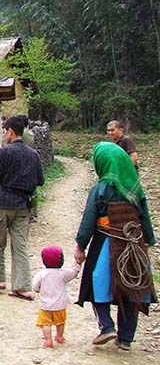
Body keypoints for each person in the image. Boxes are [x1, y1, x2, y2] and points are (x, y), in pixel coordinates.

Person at [74, 142, 156, 350]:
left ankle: (107, 326)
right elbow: (144, 217)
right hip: (133, 242)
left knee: (96, 282)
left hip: (106, 240)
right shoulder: (135, 187)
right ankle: (126, 338)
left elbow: (89, 219)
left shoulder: (100, 188)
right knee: (132, 286)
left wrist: (81, 246)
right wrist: (148, 241)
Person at [0, 115, 45, 300]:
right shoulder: (33, 154)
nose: (4, 135)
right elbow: (40, 180)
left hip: (4, 202)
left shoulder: (4, 151)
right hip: (24, 204)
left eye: (5, 131)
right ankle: (22, 287)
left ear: (10, 131)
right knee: (20, 246)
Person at [32, 246, 80, 348]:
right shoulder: (63, 274)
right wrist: (77, 263)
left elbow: (35, 286)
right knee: (60, 322)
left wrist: (38, 290)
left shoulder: (41, 274)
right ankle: (59, 336)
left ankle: (48, 340)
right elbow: (74, 272)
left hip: (45, 305)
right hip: (60, 305)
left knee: (45, 323)